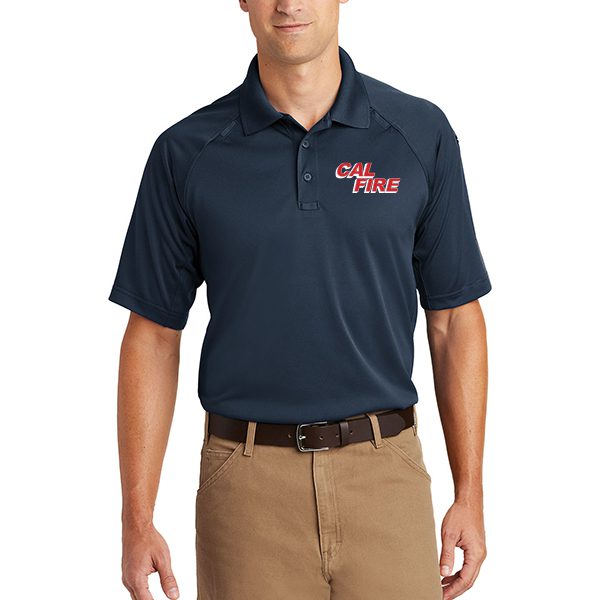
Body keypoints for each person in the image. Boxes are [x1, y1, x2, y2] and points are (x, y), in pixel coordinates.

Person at [108, 1, 491, 599]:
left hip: (385, 478)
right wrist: (137, 517)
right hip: (245, 488)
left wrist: (470, 493)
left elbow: (453, 320)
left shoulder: (420, 135)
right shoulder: (187, 152)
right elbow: (153, 336)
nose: (288, 3)